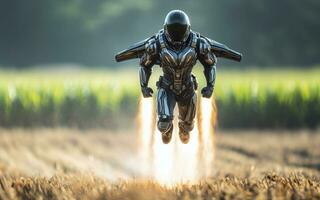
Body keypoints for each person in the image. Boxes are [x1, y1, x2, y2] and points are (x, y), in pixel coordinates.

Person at [115, 10, 241, 144]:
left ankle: (183, 128)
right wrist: (144, 86)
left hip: (187, 88)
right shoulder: (156, 44)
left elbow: (210, 64)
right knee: (163, 124)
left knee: (188, 127)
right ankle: (167, 129)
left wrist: (210, 85)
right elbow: (145, 65)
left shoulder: (199, 44)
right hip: (166, 87)